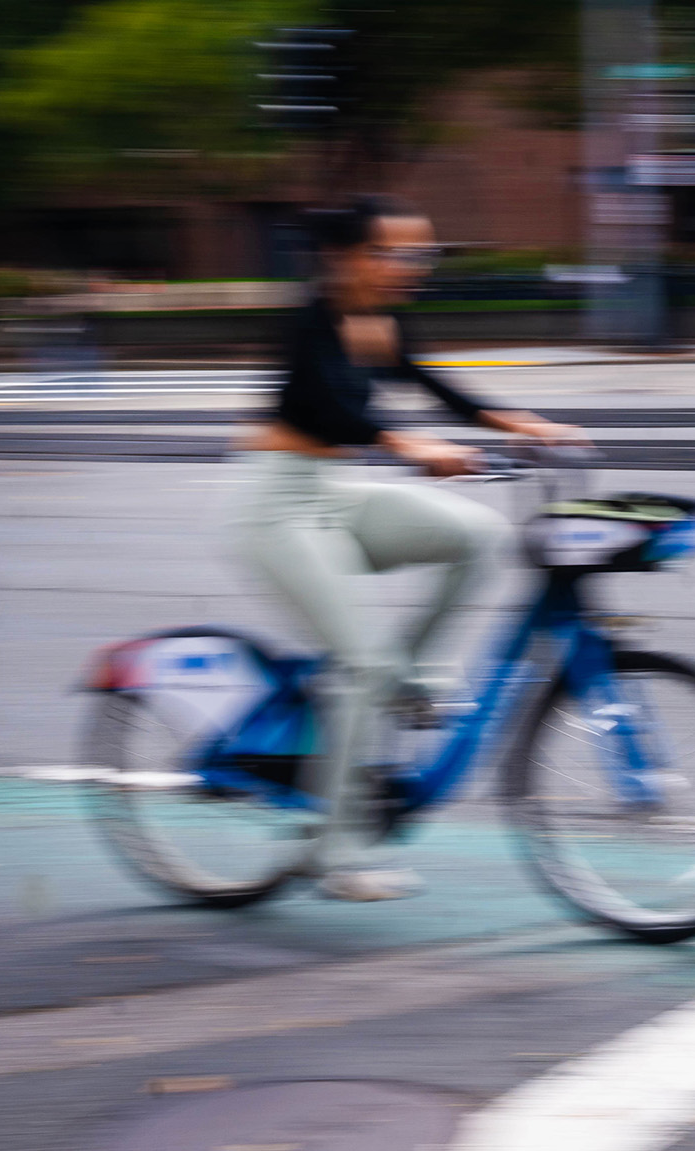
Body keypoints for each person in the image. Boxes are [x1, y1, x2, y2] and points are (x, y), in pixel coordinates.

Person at [232, 195, 585, 902]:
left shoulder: (376, 317)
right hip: (277, 506)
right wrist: (404, 443)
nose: (413, 266)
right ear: (346, 256)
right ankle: (334, 851)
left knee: (479, 536)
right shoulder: (312, 319)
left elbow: (422, 377)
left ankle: (410, 675)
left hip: (336, 491)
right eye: (397, 251)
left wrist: (508, 420)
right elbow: (322, 407)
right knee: (365, 664)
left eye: (422, 253)